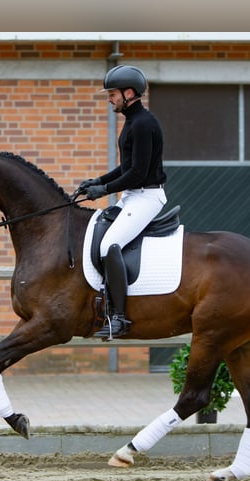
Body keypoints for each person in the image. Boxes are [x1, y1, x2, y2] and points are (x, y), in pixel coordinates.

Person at [77, 65, 168, 339]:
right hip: (132, 196)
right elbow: (125, 167)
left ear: (129, 93)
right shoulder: (132, 122)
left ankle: (119, 317)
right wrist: (97, 181)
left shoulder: (143, 124)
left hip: (147, 197)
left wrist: (103, 189)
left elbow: (137, 173)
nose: (110, 99)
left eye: (113, 94)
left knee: (109, 245)